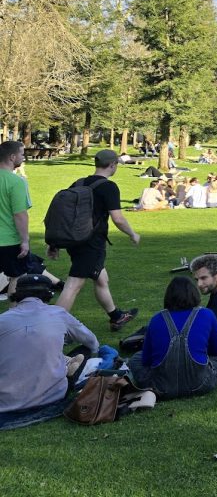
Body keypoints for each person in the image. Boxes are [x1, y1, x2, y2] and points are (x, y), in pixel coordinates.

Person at [49, 149, 140, 330]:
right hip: (91, 242)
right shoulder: (109, 187)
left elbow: (63, 214)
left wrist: (55, 242)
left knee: (100, 278)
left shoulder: (79, 182)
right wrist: (132, 234)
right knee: (73, 285)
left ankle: (116, 316)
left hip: (75, 240)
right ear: (113, 165)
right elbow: (118, 218)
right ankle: (53, 328)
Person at [0, 274, 99, 416]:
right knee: (84, 351)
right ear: (48, 294)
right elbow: (93, 343)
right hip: (52, 396)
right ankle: (66, 364)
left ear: (17, 294)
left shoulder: (3, 320)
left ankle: (64, 362)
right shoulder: (59, 314)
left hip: (5, 401)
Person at [127, 277, 217, 398]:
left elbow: (146, 360)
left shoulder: (157, 319)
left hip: (160, 387)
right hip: (201, 384)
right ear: (194, 294)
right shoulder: (207, 314)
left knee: (136, 358)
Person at [0, 141, 39, 295]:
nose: (24, 158)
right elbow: (20, 214)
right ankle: (12, 316)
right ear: (12, 157)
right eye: (22, 154)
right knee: (18, 277)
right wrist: (25, 240)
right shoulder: (16, 181)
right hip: (9, 241)